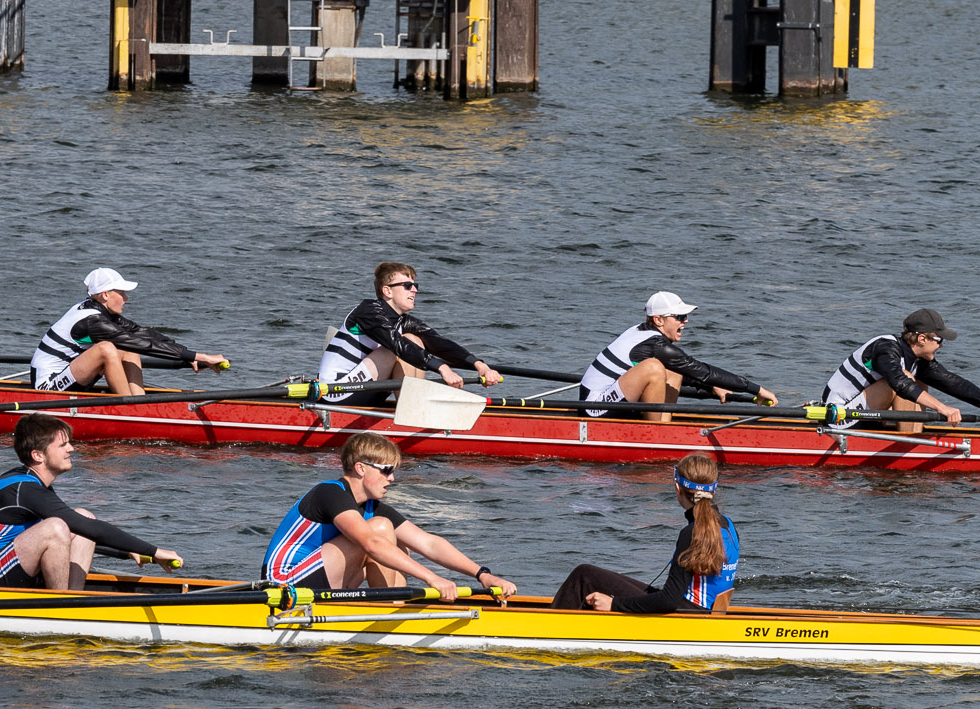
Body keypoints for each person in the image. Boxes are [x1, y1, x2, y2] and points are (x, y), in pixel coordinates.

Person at [262, 432, 516, 595]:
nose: (392, 478)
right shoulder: (329, 493)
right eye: (386, 470)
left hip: (322, 580)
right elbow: (371, 544)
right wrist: (431, 578)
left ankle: (393, 613)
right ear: (360, 468)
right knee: (380, 531)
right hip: (284, 584)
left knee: (397, 544)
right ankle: (388, 612)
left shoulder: (372, 507)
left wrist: (483, 574)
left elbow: (429, 543)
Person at [0, 415, 180, 589]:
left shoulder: (32, 481)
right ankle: (60, 607)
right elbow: (84, 528)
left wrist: (129, 550)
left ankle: (72, 597)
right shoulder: (25, 489)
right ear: (38, 455)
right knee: (58, 527)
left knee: (84, 516)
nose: (71, 449)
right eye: (63, 445)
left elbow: (84, 525)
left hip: (8, 563)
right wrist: (155, 551)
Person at [553, 452, 741, 613]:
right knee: (590, 575)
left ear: (677, 488)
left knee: (584, 575)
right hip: (699, 611)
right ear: (713, 491)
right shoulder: (728, 525)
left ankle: (549, 629)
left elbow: (669, 601)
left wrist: (614, 604)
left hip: (684, 615)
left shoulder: (692, 533)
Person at [313, 261, 503, 404]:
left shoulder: (403, 321)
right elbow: (399, 346)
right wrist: (443, 369)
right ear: (387, 291)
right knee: (403, 345)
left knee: (416, 339)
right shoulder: (368, 312)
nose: (414, 290)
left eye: (415, 286)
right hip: (335, 392)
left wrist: (480, 366)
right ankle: (411, 410)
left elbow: (440, 343)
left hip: (363, 388)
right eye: (407, 286)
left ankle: (410, 407)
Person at [579, 291, 775, 422]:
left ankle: (663, 426)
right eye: (679, 317)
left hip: (608, 399)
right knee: (654, 368)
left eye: (685, 317)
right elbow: (701, 369)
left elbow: (692, 372)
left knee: (673, 371)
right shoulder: (654, 343)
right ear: (658, 320)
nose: (685, 321)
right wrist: (756, 389)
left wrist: (711, 386)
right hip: (594, 410)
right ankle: (654, 437)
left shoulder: (641, 332)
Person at [30, 267, 229, 396]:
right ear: (106, 295)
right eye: (122, 293)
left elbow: (143, 334)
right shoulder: (92, 321)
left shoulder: (99, 310)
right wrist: (201, 356)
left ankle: (138, 401)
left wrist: (189, 356)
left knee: (128, 347)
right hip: (48, 388)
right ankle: (128, 407)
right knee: (107, 348)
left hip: (69, 376)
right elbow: (143, 344)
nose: (126, 298)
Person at [821, 308, 980, 425]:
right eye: (939, 340)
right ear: (922, 338)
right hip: (839, 416)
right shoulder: (885, 348)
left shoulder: (919, 361)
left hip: (865, 412)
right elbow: (899, 383)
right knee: (904, 380)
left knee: (919, 381)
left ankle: (911, 438)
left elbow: (954, 383)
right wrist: (942, 408)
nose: (941, 345)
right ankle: (908, 445)